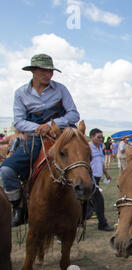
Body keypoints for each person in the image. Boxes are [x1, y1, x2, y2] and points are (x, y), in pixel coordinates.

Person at [0, 54, 80, 227]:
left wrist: (52, 124)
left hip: (61, 137)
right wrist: (38, 128)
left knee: (82, 166)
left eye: (50, 71)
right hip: (35, 139)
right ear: (33, 71)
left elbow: (74, 114)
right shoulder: (21, 93)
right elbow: (19, 120)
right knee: (6, 170)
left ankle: (83, 208)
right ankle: (18, 208)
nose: (48, 74)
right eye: (44, 70)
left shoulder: (61, 89)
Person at [88, 128, 114, 231]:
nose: (101, 139)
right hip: (90, 178)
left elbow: (101, 162)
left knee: (85, 201)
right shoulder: (88, 148)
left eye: (102, 137)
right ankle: (102, 224)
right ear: (92, 137)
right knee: (99, 200)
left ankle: (79, 220)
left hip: (97, 178)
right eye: (98, 137)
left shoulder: (99, 148)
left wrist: (106, 174)